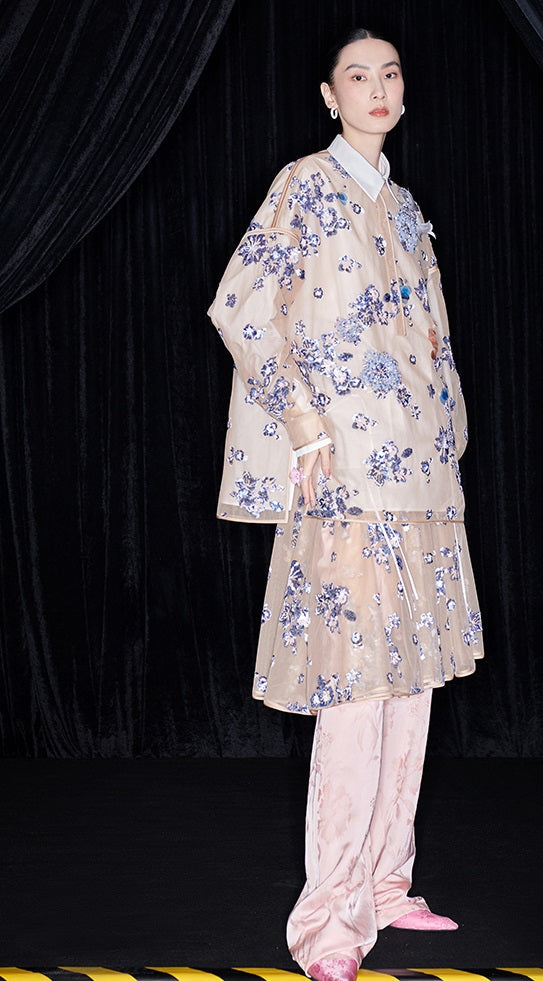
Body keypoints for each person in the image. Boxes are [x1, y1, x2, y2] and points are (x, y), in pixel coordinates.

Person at [207, 27, 483, 981]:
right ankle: (327, 919)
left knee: (411, 689)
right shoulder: (304, 185)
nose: (377, 88)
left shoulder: (403, 206)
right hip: (347, 479)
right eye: (357, 76)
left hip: (421, 478)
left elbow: (433, 338)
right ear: (329, 95)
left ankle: (385, 885)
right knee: (357, 694)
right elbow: (242, 303)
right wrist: (300, 423)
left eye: (390, 73)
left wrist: (449, 426)